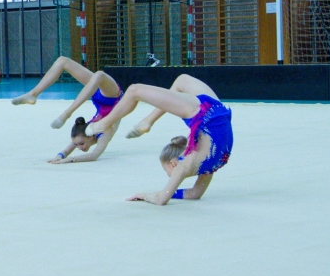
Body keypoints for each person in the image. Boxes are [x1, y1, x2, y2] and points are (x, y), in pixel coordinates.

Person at [84, 74, 234, 205]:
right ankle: (106, 123)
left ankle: (147, 121)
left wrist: (155, 193)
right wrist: (150, 195)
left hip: (219, 111)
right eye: (165, 169)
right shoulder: (184, 165)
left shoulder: (207, 167)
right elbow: (164, 198)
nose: (168, 174)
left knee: (181, 80)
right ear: (172, 163)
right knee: (134, 90)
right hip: (203, 112)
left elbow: (192, 194)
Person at [11, 56, 124, 164]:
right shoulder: (95, 134)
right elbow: (85, 153)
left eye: (80, 144)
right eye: (79, 144)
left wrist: (65, 158)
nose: (79, 147)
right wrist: (60, 157)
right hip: (111, 98)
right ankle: (33, 94)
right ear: (89, 137)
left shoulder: (94, 134)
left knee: (94, 73)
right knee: (65, 62)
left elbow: (85, 154)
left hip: (106, 98)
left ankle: (65, 112)